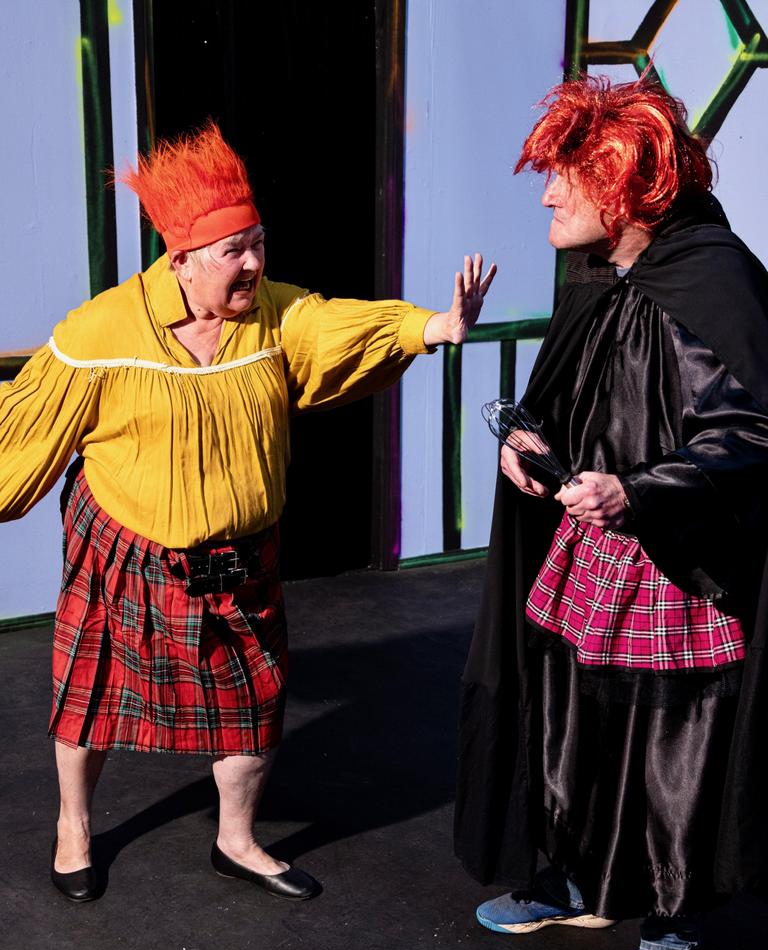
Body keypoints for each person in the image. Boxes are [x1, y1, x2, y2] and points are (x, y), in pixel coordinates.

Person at [0, 123, 495, 903]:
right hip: (127, 548)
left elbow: (330, 325)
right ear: (182, 262)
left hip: (239, 559)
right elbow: (24, 430)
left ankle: (236, 840)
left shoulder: (274, 314)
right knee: (89, 694)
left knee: (251, 702)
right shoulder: (103, 331)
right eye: (235, 251)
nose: (255, 264)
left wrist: (430, 327)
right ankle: (74, 828)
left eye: (259, 243)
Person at [454, 75, 768, 950]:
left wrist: (638, 489)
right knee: (571, 722)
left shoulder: (711, 282)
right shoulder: (603, 276)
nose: (548, 195)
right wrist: (529, 443)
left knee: (671, 744)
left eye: (563, 178)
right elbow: (578, 394)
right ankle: (576, 877)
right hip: (589, 554)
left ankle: (671, 927)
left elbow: (749, 434)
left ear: (622, 188)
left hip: (679, 565)